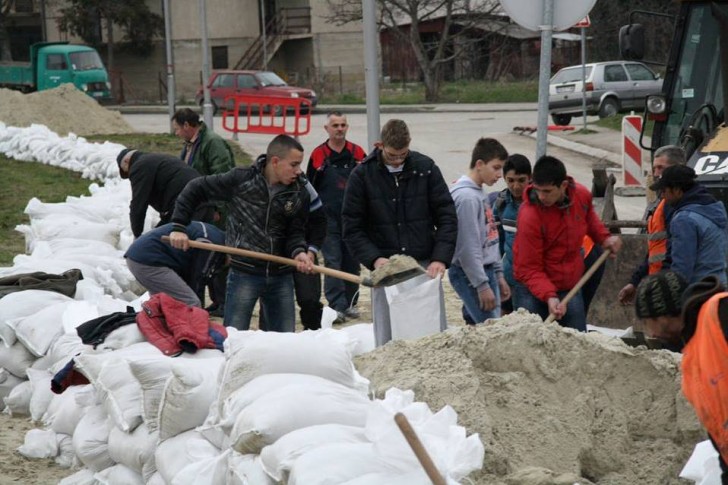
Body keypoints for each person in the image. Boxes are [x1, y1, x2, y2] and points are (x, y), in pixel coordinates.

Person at [168, 134, 314, 332]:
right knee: (234, 337)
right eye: (294, 164)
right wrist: (178, 227)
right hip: (245, 272)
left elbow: (295, 232)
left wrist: (299, 252)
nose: (298, 171)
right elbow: (196, 188)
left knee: (284, 341)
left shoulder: (299, 192)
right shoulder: (241, 179)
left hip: (281, 274)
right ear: (275, 161)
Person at [342, 119, 458, 347]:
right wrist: (374, 259)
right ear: (380, 145)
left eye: (402, 155)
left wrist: (440, 258)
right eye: (392, 155)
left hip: (423, 265)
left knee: (430, 332)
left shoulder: (426, 169)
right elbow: (352, 227)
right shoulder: (362, 175)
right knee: (389, 338)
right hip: (386, 269)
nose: (397, 160)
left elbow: (447, 217)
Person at [635, 271, 728, 480]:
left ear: (663, 314)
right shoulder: (691, 357)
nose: (650, 333)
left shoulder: (720, 312)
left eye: (648, 321)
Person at [513, 155, 622, 331]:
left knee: (577, 342)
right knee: (533, 346)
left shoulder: (581, 196)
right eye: (538, 190)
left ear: (563, 185)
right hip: (531, 289)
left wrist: (604, 238)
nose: (541, 196)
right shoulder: (529, 216)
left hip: (568, 286)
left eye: (547, 191)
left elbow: (590, 220)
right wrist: (549, 296)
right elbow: (528, 268)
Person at [172, 108, 236, 317]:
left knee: (219, 254)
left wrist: (217, 208)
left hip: (215, 210)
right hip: (200, 209)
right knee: (205, 254)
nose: (176, 134)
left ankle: (224, 301)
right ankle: (217, 301)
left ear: (187, 126)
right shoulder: (191, 145)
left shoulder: (212, 143)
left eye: (177, 129)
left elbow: (223, 177)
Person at [306, 111, 367, 322]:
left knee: (352, 262)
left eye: (343, 125)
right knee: (333, 261)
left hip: (353, 218)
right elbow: (309, 188)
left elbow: (369, 182)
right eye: (335, 125)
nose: (339, 129)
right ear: (327, 129)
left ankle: (350, 304)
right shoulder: (318, 154)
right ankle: (337, 307)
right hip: (327, 219)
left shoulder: (358, 152)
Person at [449, 138, 510, 324]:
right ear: (479, 164)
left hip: (486, 270)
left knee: (492, 328)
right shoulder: (467, 198)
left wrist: (498, 274)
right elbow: (467, 247)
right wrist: (482, 285)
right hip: (472, 274)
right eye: (496, 167)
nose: (500, 174)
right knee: (489, 331)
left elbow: (490, 237)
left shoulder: (478, 192)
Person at [618, 145, 685, 305]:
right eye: (654, 168)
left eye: (661, 168)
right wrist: (635, 281)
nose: (656, 174)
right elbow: (655, 250)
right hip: (662, 283)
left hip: (669, 286)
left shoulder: (678, 207)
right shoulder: (664, 204)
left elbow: (676, 253)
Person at [649, 164, 728, 285]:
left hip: (697, 292)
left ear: (677, 190)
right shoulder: (715, 210)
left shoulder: (684, 219)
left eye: (664, 191)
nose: (663, 196)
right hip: (719, 286)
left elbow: (682, 269)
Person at [124, 222, 226, 308]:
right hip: (148, 261)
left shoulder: (214, 233)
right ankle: (189, 331)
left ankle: (157, 328)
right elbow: (198, 279)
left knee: (165, 303)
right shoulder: (214, 244)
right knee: (191, 303)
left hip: (140, 256)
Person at [117, 148, 211, 238]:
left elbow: (138, 203)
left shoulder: (139, 166)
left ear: (126, 161)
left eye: (127, 171)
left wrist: (137, 235)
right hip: (200, 199)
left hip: (189, 205)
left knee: (158, 243)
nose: (130, 175)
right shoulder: (155, 159)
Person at [491, 153, 532, 314]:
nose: (516, 186)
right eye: (511, 180)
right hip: (508, 276)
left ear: (530, 178)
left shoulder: (540, 203)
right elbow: (496, 243)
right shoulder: (501, 204)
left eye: (521, 180)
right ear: (504, 179)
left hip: (531, 280)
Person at [172, 108, 235, 176]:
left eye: (176, 129)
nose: (176, 133)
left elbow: (222, 174)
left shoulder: (213, 142)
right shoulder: (190, 142)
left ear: (186, 125)